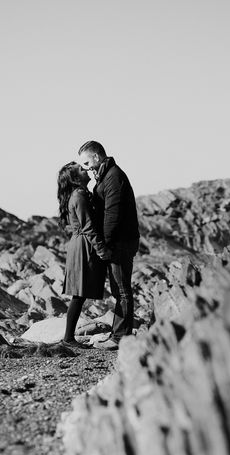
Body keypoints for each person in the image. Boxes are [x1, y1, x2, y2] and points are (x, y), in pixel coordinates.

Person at [78, 140, 140, 349]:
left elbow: (112, 215)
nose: (86, 168)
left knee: (122, 290)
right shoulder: (107, 176)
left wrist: (104, 246)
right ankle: (118, 333)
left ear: (96, 156)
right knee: (118, 290)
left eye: (87, 162)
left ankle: (121, 338)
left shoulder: (113, 177)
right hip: (118, 241)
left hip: (120, 242)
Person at [56, 161, 108, 347]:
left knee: (80, 294)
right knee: (79, 294)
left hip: (82, 244)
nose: (85, 169)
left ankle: (69, 337)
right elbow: (88, 227)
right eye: (81, 168)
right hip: (83, 246)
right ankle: (68, 338)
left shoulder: (80, 193)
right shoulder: (78, 195)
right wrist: (102, 250)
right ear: (75, 178)